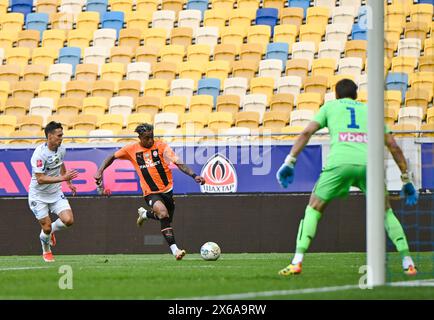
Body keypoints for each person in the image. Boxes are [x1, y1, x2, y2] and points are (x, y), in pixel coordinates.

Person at [276, 79, 419, 276]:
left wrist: (290, 161)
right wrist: (406, 179)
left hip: (339, 163)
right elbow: (393, 146)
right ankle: (407, 261)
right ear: (356, 95)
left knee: (313, 208)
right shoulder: (371, 111)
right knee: (386, 212)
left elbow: (307, 132)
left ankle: (296, 261)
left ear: (336, 95)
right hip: (370, 165)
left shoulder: (330, 107)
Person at [94, 123, 205, 260]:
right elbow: (112, 157)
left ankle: (145, 214)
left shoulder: (161, 146)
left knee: (165, 218)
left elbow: (178, 163)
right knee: (163, 214)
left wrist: (194, 176)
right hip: (150, 191)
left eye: (151, 137)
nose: (150, 140)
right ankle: (175, 251)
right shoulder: (131, 149)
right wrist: (100, 171)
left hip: (168, 190)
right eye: (146, 138)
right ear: (140, 137)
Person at [28, 121, 78, 262]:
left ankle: (52, 233)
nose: (61, 138)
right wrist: (63, 178)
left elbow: (60, 163)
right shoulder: (39, 155)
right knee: (47, 228)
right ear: (49, 136)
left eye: (62, 135)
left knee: (69, 220)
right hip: (38, 196)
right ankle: (46, 251)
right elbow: (40, 179)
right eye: (59, 135)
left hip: (55, 193)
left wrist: (68, 182)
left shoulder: (62, 149)